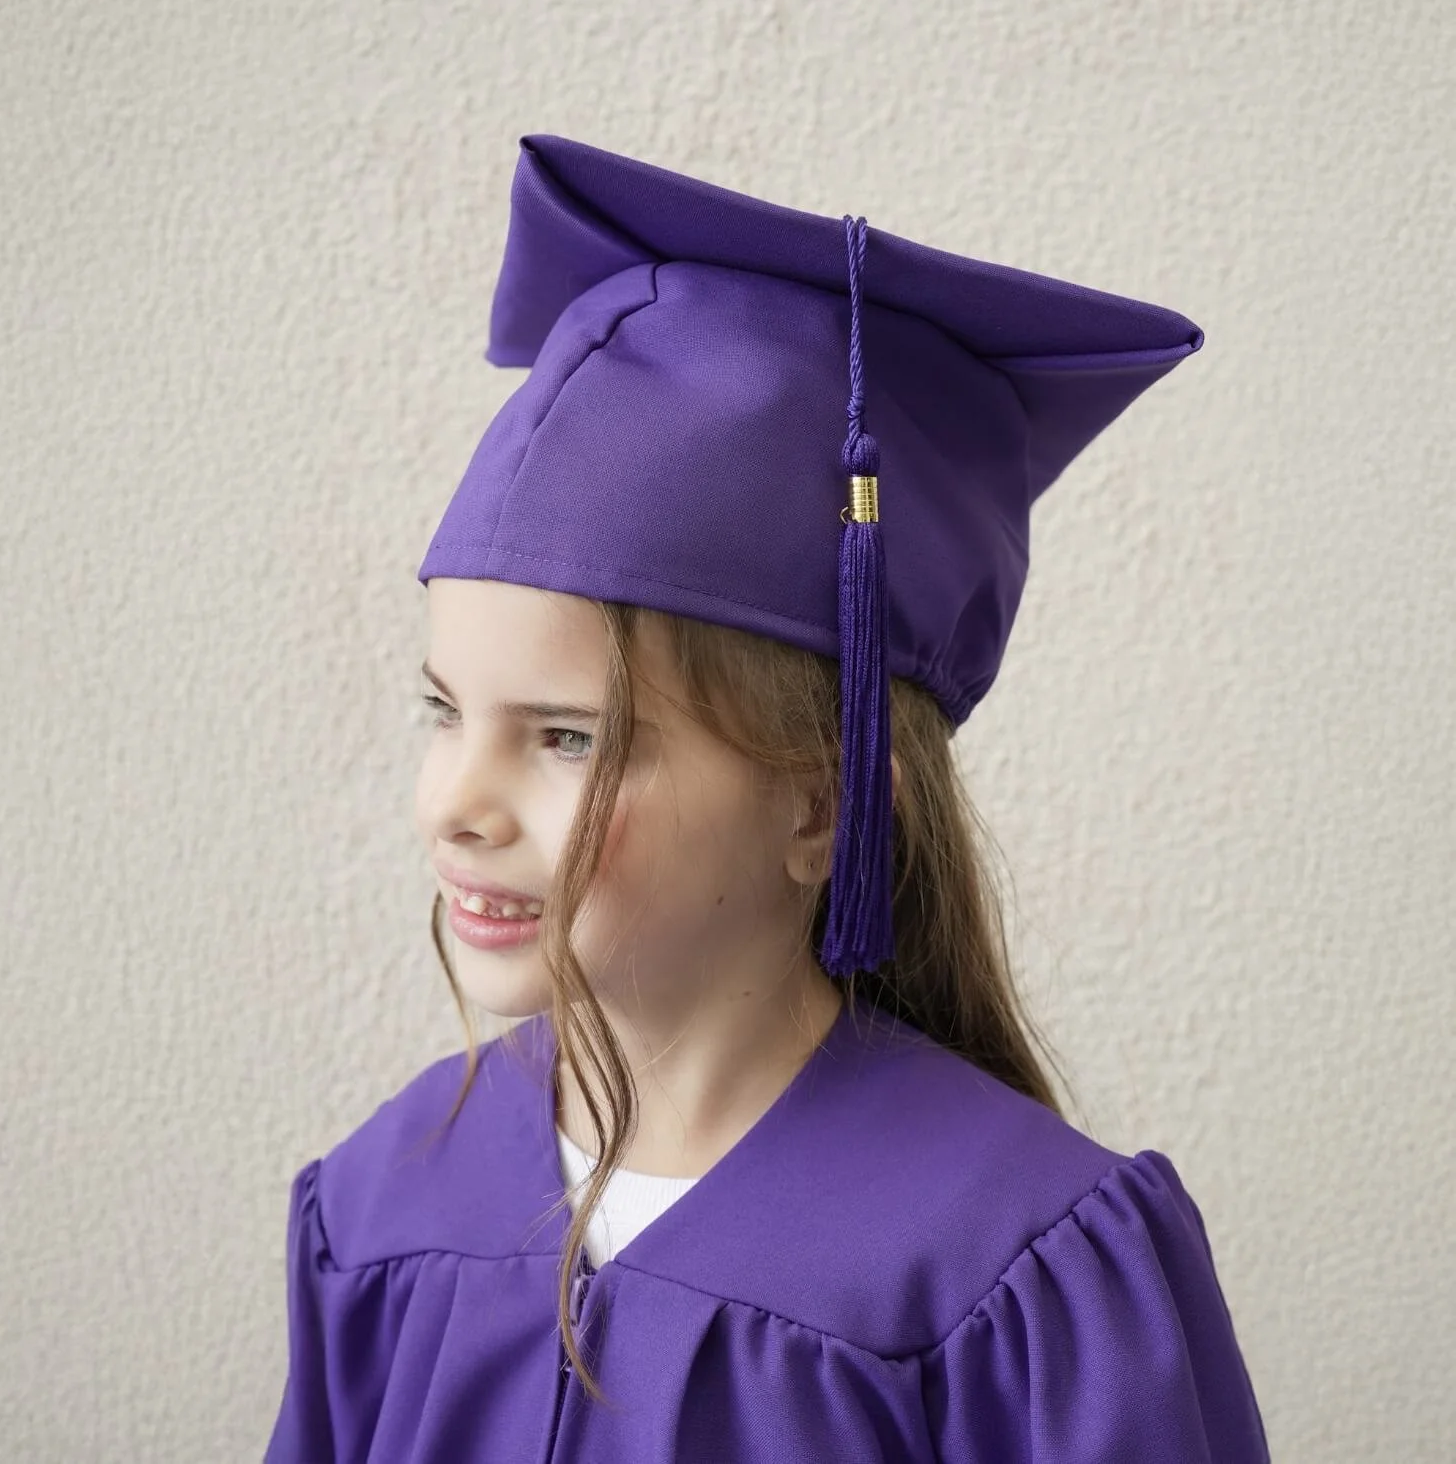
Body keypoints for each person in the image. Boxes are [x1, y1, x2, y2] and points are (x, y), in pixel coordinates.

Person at [265, 132, 1270, 1461]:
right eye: (446, 713)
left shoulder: (1016, 1267)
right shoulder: (387, 1201)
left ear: (823, 810)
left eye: (569, 738)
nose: (460, 802)